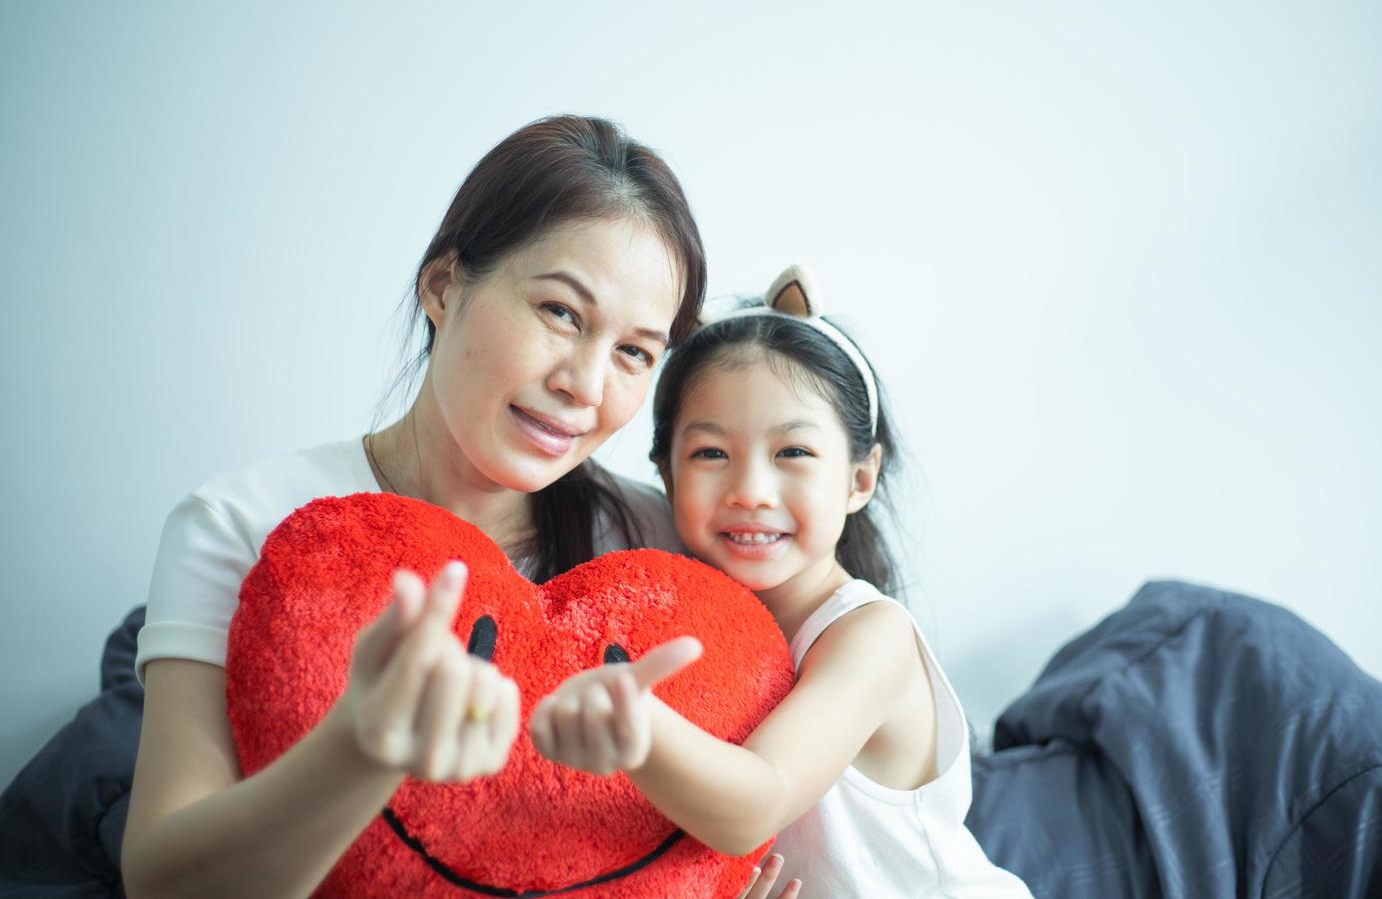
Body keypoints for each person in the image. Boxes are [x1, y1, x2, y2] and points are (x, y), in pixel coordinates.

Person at [120, 114, 796, 899]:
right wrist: (361, 748)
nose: (585, 383)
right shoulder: (241, 525)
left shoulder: (656, 548)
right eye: (560, 313)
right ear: (443, 285)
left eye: (634, 352)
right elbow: (162, 883)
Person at [529, 267, 1036, 898]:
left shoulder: (871, 636)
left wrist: (632, 722)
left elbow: (755, 803)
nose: (749, 491)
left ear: (859, 478)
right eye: (710, 453)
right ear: (667, 475)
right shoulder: (686, 612)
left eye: (792, 453)